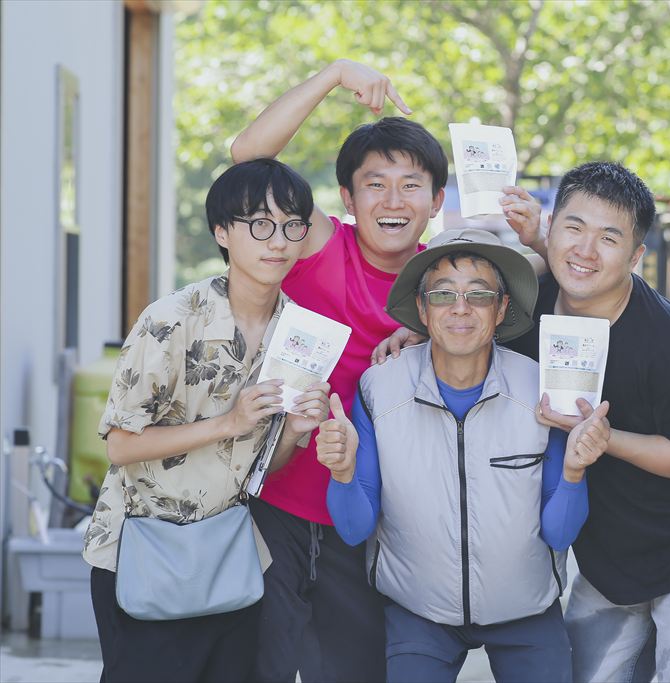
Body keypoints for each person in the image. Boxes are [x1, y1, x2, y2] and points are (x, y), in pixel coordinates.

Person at [229, 59, 544, 682]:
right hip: (276, 502)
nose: (394, 201)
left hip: (371, 523)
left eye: (411, 185)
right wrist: (332, 75)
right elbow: (248, 158)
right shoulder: (319, 245)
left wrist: (429, 323)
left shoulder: (448, 289)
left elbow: (536, 270)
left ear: (437, 202)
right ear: (348, 199)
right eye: (375, 184)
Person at [504, 162, 670, 682]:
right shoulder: (528, 308)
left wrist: (608, 440)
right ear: (551, 229)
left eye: (609, 238)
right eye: (574, 228)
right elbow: (465, 312)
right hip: (607, 562)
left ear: (636, 256)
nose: (585, 250)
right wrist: (415, 335)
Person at [318, 229, 608, 682]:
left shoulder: (542, 391)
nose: (460, 308)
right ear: (422, 309)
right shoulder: (379, 389)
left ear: (502, 308)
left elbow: (560, 532)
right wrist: (342, 472)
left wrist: (574, 471)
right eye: (442, 294)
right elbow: (355, 529)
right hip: (418, 611)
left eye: (479, 295)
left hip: (527, 609)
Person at [82, 159, 330, 683]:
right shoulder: (171, 319)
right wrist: (228, 422)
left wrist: (294, 432)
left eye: (292, 225)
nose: (278, 241)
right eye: (259, 224)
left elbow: (260, 469)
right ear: (222, 232)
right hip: (145, 551)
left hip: (230, 557)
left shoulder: (299, 335)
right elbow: (121, 445)